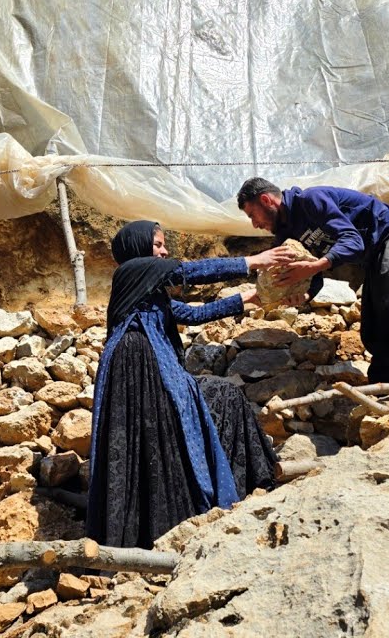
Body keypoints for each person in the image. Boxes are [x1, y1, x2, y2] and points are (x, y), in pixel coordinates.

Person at [86, 221, 289, 549]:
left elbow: (193, 315)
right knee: (152, 436)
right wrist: (254, 261)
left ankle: (247, 482)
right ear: (137, 247)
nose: (164, 251)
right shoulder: (132, 270)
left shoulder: (150, 291)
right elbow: (192, 272)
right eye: (157, 244)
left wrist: (252, 297)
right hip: (137, 362)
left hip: (152, 365)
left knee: (224, 394)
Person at [236, 177, 389, 384]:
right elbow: (313, 278)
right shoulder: (286, 236)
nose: (255, 224)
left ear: (266, 200)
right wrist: (303, 294)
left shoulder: (310, 200)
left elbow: (352, 240)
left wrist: (315, 266)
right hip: (374, 260)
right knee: (376, 328)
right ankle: (385, 392)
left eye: (253, 215)